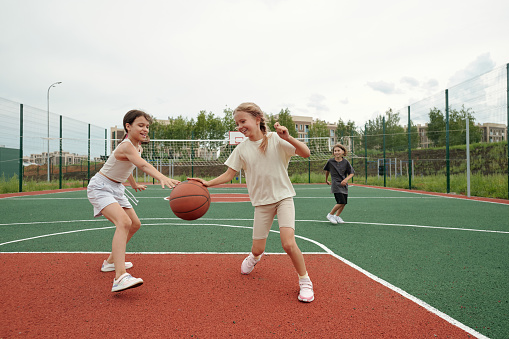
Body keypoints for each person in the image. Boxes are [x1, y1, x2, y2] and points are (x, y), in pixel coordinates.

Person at [190, 102, 314, 302]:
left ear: (257, 119)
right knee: (258, 248)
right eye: (237, 123)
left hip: (283, 198)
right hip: (261, 204)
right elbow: (229, 174)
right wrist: (207, 183)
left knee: (288, 243)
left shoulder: (276, 139)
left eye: (243, 121)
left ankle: (305, 281)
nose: (240, 126)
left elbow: (306, 153)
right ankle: (254, 258)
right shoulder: (241, 149)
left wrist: (288, 137)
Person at [87, 109, 180, 292]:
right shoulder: (126, 145)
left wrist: (133, 183)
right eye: (140, 125)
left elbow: (129, 165)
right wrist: (161, 177)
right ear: (128, 127)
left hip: (116, 188)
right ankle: (120, 277)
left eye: (147, 126)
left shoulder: (137, 147)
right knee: (123, 222)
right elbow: (142, 164)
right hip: (101, 187)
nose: (145, 129)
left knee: (134, 224)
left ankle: (110, 262)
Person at [324, 143, 355, 224]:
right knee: (340, 202)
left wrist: (346, 180)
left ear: (343, 152)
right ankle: (330, 215)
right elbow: (327, 170)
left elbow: (351, 173)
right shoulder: (330, 161)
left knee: (344, 203)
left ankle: (337, 216)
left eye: (338, 150)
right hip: (335, 184)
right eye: (335, 151)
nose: (337, 152)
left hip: (344, 184)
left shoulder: (346, 162)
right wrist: (326, 180)